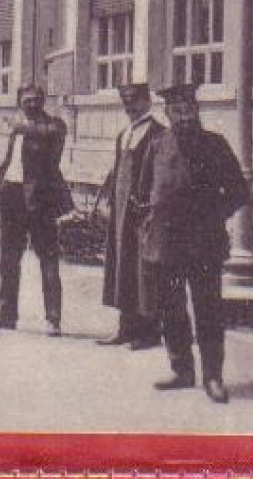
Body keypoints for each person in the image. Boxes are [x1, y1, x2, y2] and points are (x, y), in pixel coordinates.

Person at [136, 83, 249, 404]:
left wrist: (212, 217)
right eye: (176, 110)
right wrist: (149, 225)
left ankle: (213, 376)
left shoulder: (215, 144)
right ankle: (181, 369)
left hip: (204, 243)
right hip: (165, 242)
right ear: (168, 114)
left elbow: (239, 192)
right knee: (171, 309)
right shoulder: (157, 145)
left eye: (188, 109)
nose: (184, 116)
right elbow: (142, 194)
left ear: (197, 111)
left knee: (208, 310)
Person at [0, 83, 73, 333]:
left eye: (36, 100)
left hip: (40, 201)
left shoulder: (54, 125)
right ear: (19, 102)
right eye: (27, 100)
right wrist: (0, 185)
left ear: (43, 101)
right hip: (11, 197)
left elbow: (52, 132)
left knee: (48, 260)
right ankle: (6, 315)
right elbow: (11, 160)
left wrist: (22, 127)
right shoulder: (17, 128)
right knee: (8, 260)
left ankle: (53, 319)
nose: (32, 104)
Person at [99, 82, 164, 349]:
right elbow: (116, 171)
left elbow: (162, 176)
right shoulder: (124, 133)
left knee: (144, 270)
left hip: (143, 213)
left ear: (147, 100)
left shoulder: (158, 133)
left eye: (135, 99)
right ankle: (126, 327)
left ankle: (149, 332)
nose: (130, 105)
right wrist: (107, 199)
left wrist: (150, 205)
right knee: (121, 267)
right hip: (121, 212)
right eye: (125, 100)